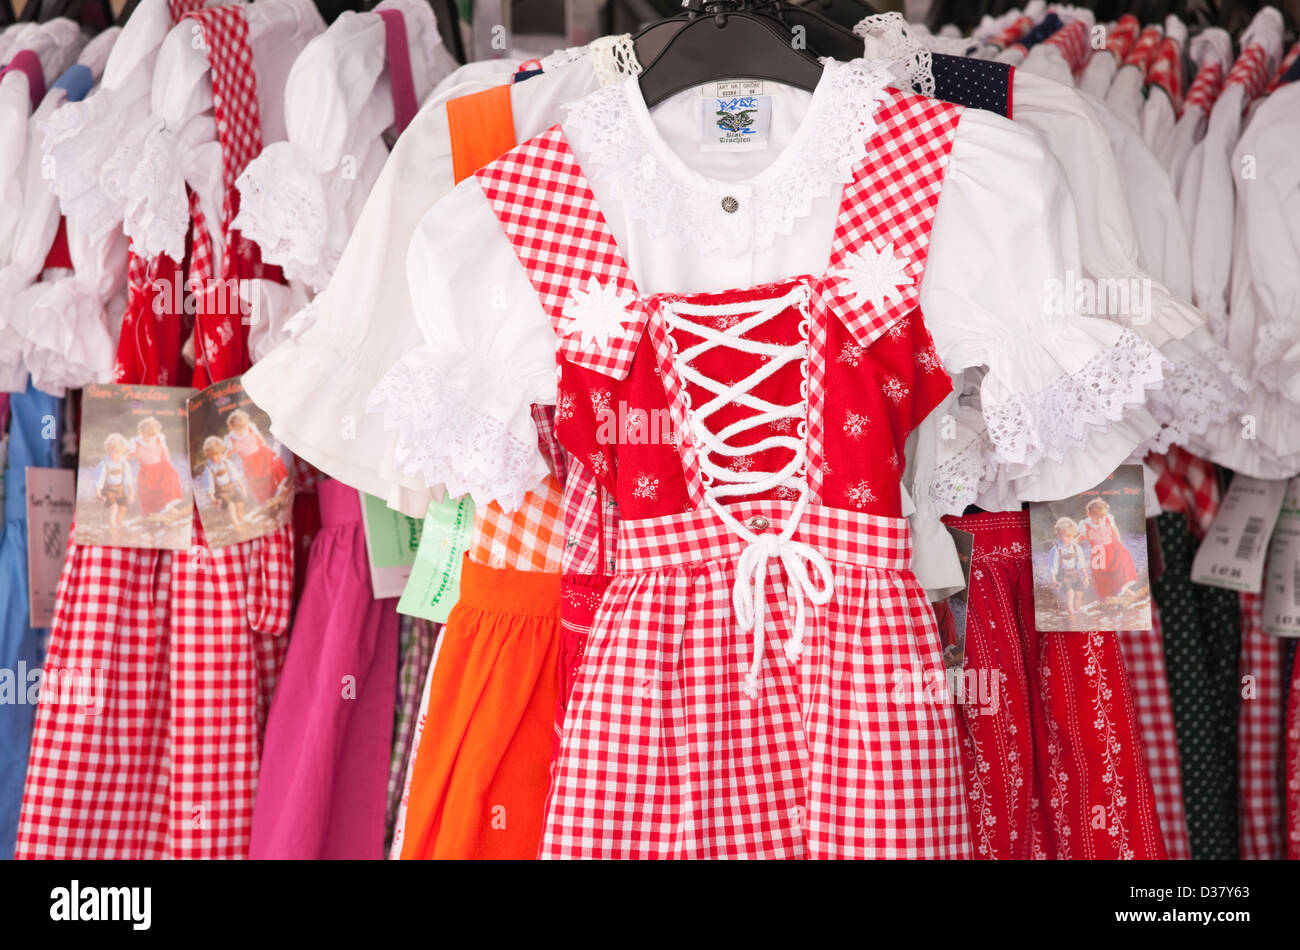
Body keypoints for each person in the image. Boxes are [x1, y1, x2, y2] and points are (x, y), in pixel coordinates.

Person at [224, 409, 289, 504]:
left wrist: (265, 447)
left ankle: (281, 488)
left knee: (271, 470)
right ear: (232, 428)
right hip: (250, 462)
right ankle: (269, 497)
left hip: (261, 454)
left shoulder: (250, 427)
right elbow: (230, 450)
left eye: (243, 427)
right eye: (238, 429)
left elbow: (260, 438)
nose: (241, 431)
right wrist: (224, 457)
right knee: (258, 481)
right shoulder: (231, 438)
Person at [1078, 498, 1137, 599]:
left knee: (1119, 568)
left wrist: (1118, 540)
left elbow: (1114, 530)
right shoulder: (1085, 524)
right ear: (1089, 514)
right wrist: (1074, 542)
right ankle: (1107, 596)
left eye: (1101, 518)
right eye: (1096, 518)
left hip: (1112, 548)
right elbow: (1083, 536)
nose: (1098, 521)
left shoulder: (1108, 518)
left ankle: (1127, 591)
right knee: (1101, 575)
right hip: (1099, 552)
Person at [130, 417, 185, 515]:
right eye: (147, 435)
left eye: (151, 436)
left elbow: (165, 450)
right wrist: (127, 456)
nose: (149, 439)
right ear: (141, 432)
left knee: (164, 489)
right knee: (147, 493)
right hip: (146, 471)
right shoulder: (137, 442)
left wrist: (168, 460)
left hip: (160, 468)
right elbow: (134, 454)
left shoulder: (159, 438)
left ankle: (172, 510)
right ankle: (150, 513)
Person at [201, 436, 247, 526]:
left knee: (239, 503)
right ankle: (235, 523)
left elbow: (236, 476)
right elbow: (209, 488)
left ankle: (241, 518)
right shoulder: (209, 470)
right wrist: (213, 500)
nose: (218, 457)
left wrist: (242, 487)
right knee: (231, 506)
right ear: (208, 454)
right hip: (220, 493)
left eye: (220, 454)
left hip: (231, 488)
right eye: (215, 455)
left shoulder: (227, 463)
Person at [1049, 516, 1090, 616]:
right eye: (1066, 536)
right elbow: (1052, 567)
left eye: (1071, 536)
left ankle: (1076, 609)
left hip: (1075, 574)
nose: (1069, 539)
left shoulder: (1077, 548)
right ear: (1059, 535)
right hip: (1062, 575)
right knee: (1070, 592)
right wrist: (1054, 580)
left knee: (1079, 592)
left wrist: (1085, 576)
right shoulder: (1056, 549)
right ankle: (1070, 613)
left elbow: (1081, 564)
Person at [94, 434, 135, 532]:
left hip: (120, 489)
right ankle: (112, 528)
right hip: (108, 490)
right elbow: (98, 481)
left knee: (123, 508)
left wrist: (131, 493)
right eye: (115, 453)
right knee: (114, 508)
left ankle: (118, 523)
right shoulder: (104, 465)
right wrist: (98, 494)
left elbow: (128, 479)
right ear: (108, 450)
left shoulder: (124, 464)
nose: (118, 456)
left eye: (120, 453)